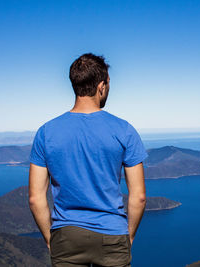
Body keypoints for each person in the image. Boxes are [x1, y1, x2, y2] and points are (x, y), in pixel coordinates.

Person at [28, 52, 148, 267]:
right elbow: (138, 197)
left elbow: (36, 198)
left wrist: (51, 239)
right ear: (102, 85)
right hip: (112, 236)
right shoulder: (124, 131)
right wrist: (126, 238)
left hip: (66, 236)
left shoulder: (46, 133)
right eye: (109, 84)